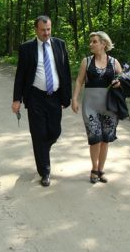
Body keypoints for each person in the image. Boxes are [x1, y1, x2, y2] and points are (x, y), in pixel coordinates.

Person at [12, 15, 72, 187]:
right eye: (43, 30)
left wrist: (66, 96)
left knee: (54, 132)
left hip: (55, 96)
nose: (46, 33)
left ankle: (42, 150)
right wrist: (17, 99)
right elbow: (20, 76)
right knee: (38, 134)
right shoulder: (26, 48)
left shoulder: (60, 44)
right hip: (35, 97)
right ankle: (44, 171)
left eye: (48, 29)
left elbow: (65, 71)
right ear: (36, 30)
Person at [71, 31, 122, 184]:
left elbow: (124, 80)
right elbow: (79, 81)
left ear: (103, 44)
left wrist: (119, 83)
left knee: (105, 139)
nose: (91, 44)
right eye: (91, 41)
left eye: (94, 41)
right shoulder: (86, 61)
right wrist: (74, 99)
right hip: (90, 106)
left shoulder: (114, 62)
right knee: (95, 138)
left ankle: (101, 169)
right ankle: (94, 169)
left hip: (109, 106)